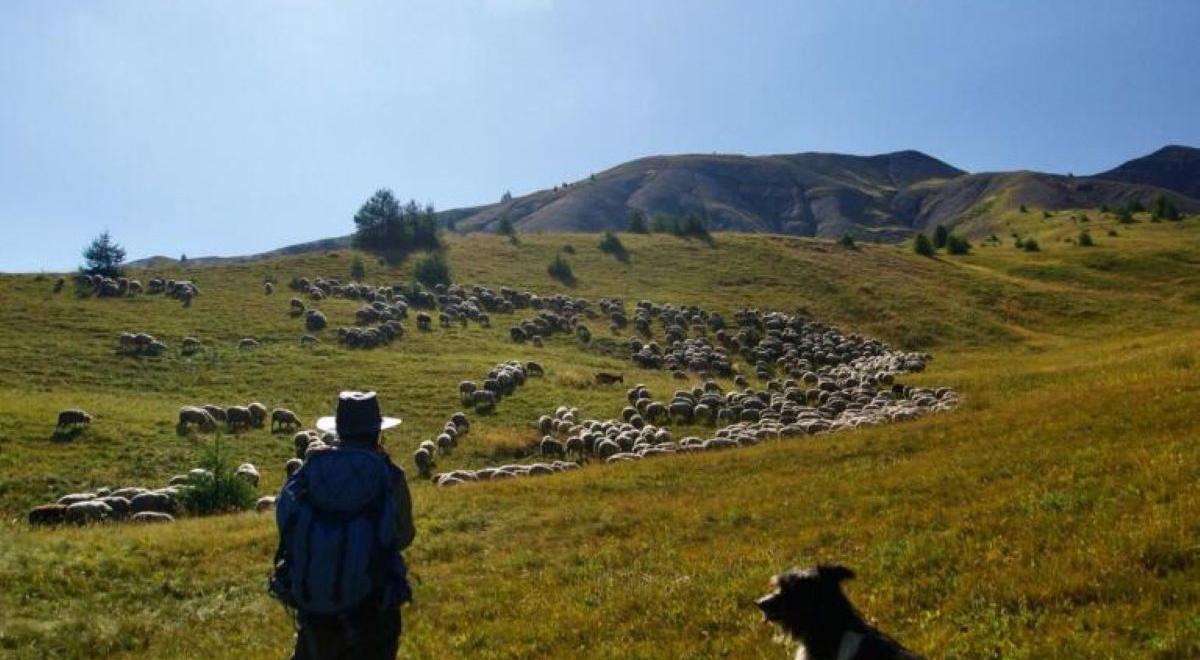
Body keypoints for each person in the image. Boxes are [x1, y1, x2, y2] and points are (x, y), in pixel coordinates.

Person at [270, 391, 415, 660]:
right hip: (369, 606)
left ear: (338, 432)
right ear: (377, 433)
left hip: (313, 603)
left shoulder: (311, 469)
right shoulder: (389, 475)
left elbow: (285, 520)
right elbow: (403, 536)